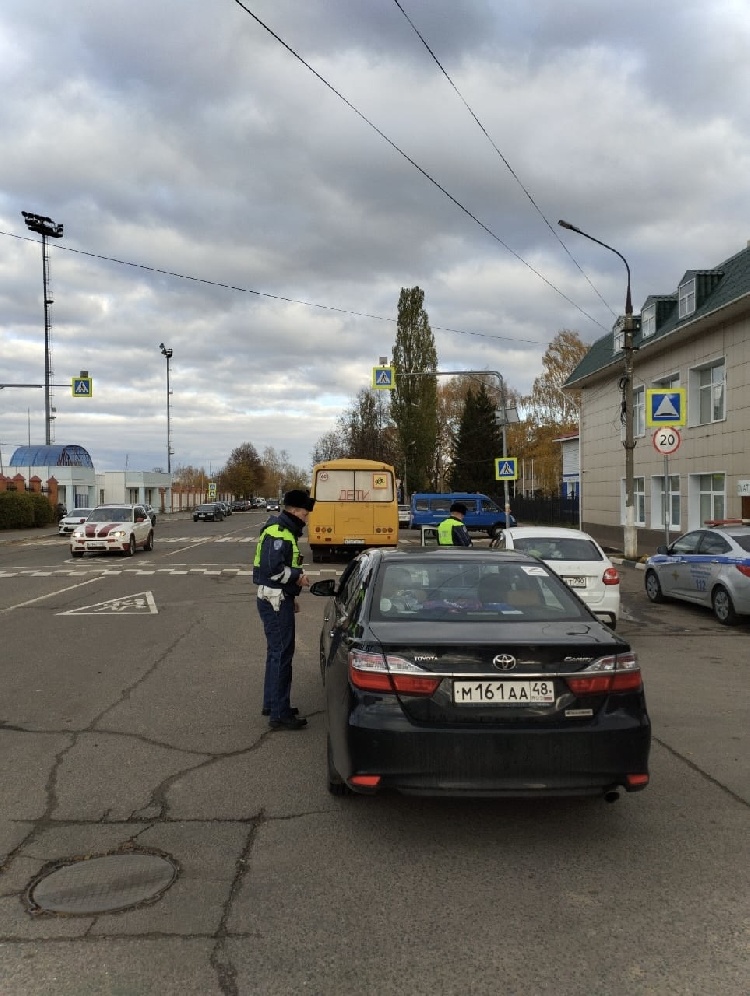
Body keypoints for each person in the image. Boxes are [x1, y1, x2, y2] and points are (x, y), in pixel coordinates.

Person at [253, 489, 315, 731]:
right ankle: (279, 714)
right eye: (305, 514)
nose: (307, 519)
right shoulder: (278, 533)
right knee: (282, 655)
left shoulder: (283, 531)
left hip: (277, 597)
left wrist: (291, 595)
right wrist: (298, 577)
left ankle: (273, 703)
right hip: (275, 600)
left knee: (275, 652)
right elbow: (274, 570)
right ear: (296, 512)